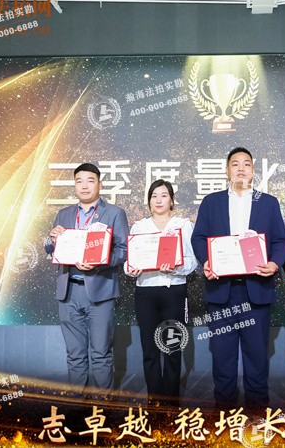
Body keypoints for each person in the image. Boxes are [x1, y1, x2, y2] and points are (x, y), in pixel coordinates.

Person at [191, 147, 285, 409]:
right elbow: (198, 237)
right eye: (235, 164)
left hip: (256, 289)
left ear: (253, 170)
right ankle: (225, 411)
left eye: (247, 164)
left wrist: (274, 263)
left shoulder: (268, 202)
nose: (241, 168)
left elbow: (280, 241)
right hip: (221, 291)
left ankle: (257, 410)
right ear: (227, 170)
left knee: (256, 355)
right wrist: (207, 261)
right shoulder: (212, 202)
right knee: (222, 356)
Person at [45, 163, 128, 393]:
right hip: (69, 291)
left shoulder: (114, 213)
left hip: (100, 291)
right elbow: (51, 249)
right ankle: (77, 403)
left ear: (99, 184)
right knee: (74, 354)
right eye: (79, 181)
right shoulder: (64, 214)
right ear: (74, 185)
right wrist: (51, 240)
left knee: (101, 352)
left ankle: (102, 405)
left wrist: (99, 263)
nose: (84, 185)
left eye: (90, 180)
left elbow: (123, 250)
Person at [125, 179, 197, 407]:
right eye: (154, 196)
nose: (158, 200)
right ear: (148, 201)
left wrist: (175, 268)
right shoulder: (139, 227)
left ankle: (171, 403)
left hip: (173, 291)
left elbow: (192, 262)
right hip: (145, 292)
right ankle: (154, 402)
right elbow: (129, 263)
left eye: (164, 195)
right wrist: (131, 269)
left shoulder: (183, 225)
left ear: (171, 201)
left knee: (172, 348)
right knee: (150, 349)